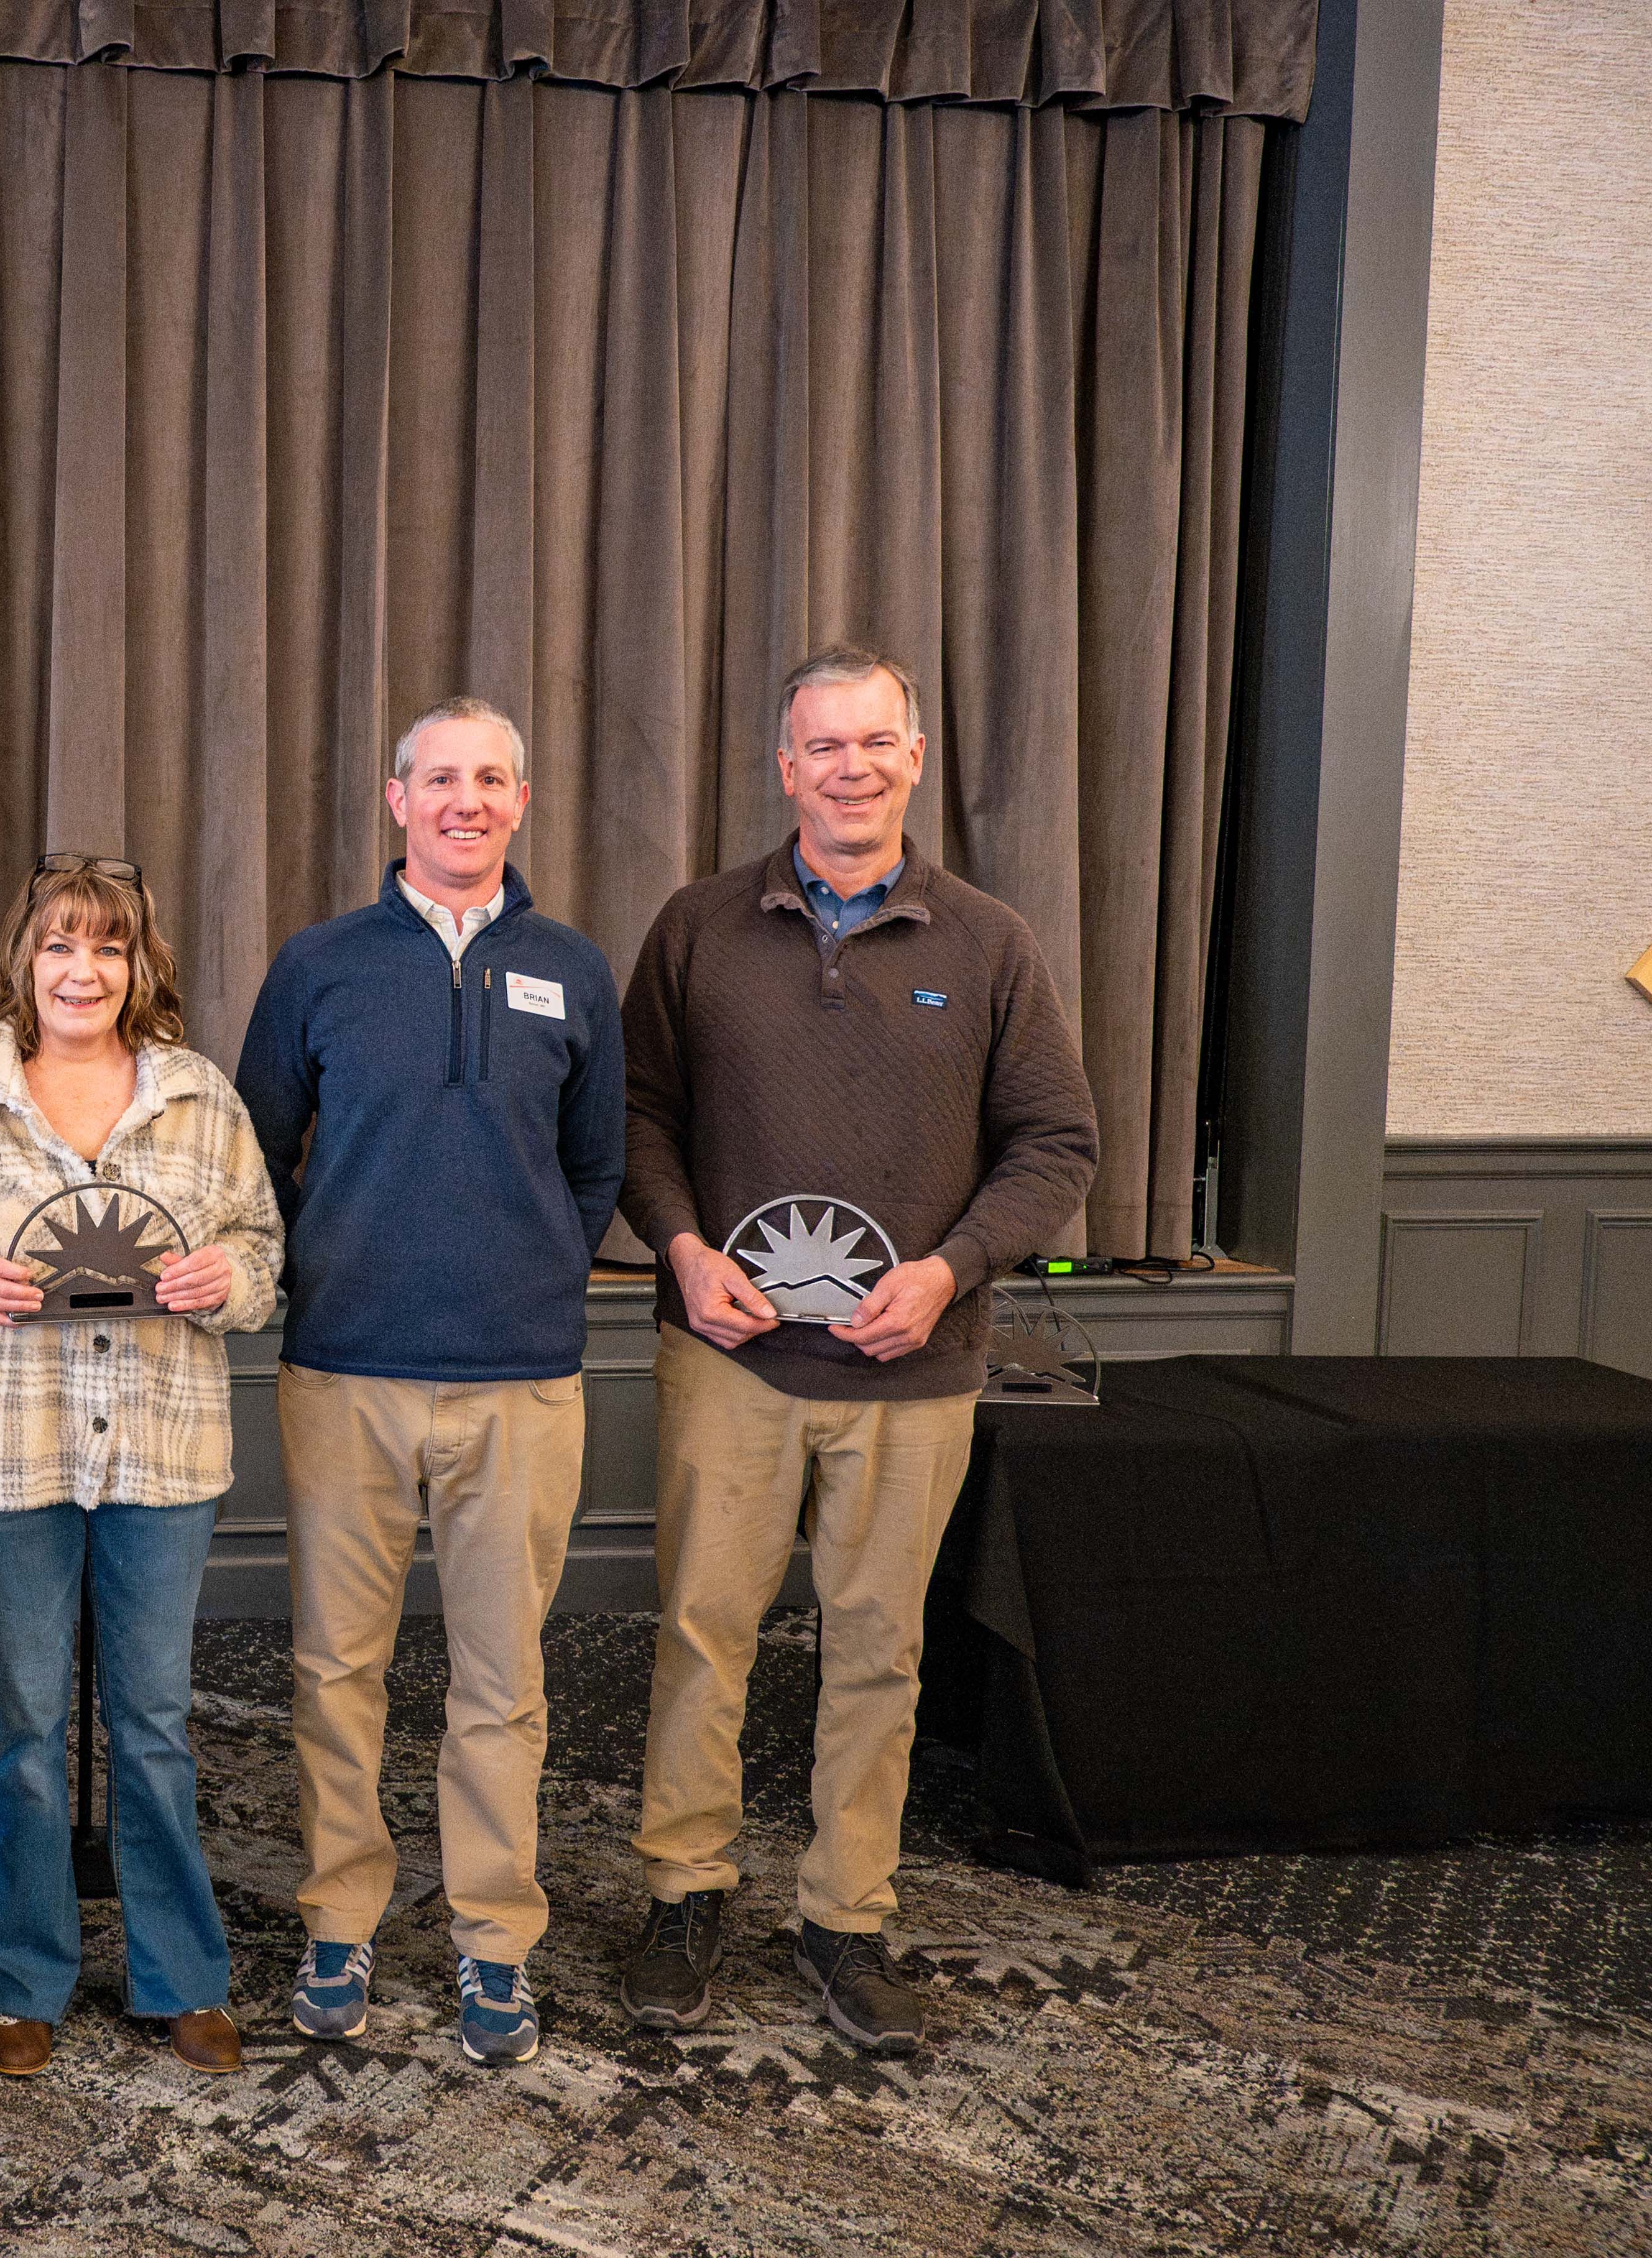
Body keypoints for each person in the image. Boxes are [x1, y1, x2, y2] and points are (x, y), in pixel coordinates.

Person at [613, 644, 1097, 2058]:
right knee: (705, 1636)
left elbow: (1056, 1144)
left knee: (879, 1653)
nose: (851, 767)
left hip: (914, 1371)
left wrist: (949, 1271)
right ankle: (684, 1890)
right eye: (823, 746)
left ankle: (845, 1914)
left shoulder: (990, 944)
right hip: (730, 1358)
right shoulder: (698, 927)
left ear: (915, 755)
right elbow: (636, 1118)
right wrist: (683, 1248)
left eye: (875, 743)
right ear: (785, 767)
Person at [234, 698, 624, 2068]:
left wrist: (531, 1272)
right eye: (440, 778)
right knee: (338, 1669)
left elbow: (595, 1167)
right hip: (345, 1374)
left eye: (493, 778)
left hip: (519, 1384)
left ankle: (492, 1942)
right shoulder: (321, 964)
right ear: (395, 799)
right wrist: (339, 1265)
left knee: (501, 1680)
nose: (467, 800)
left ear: (524, 800)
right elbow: (254, 1153)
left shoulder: (571, 969)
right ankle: (340, 1916)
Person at [0, 856, 283, 2083]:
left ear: (140, 966)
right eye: (61, 946)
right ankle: (23, 1980)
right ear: (25, 961)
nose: (83, 970)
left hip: (165, 1454)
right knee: (21, 1724)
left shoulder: (199, 1097)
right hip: (2, 1454)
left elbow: (261, 1249)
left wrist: (230, 1279)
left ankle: (183, 1976)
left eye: (108, 948)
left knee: (155, 1723)